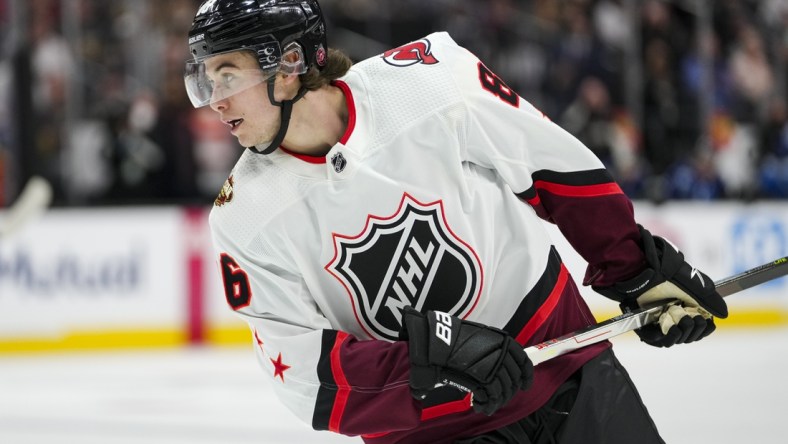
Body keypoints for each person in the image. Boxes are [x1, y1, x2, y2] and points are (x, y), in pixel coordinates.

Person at [184, 1, 728, 443]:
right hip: (433, 434)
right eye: (205, 82)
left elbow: (550, 166)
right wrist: (424, 363)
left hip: (572, 379)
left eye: (226, 76)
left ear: (289, 62)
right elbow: (306, 376)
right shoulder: (245, 219)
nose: (213, 102)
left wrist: (633, 266)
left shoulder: (428, 81)